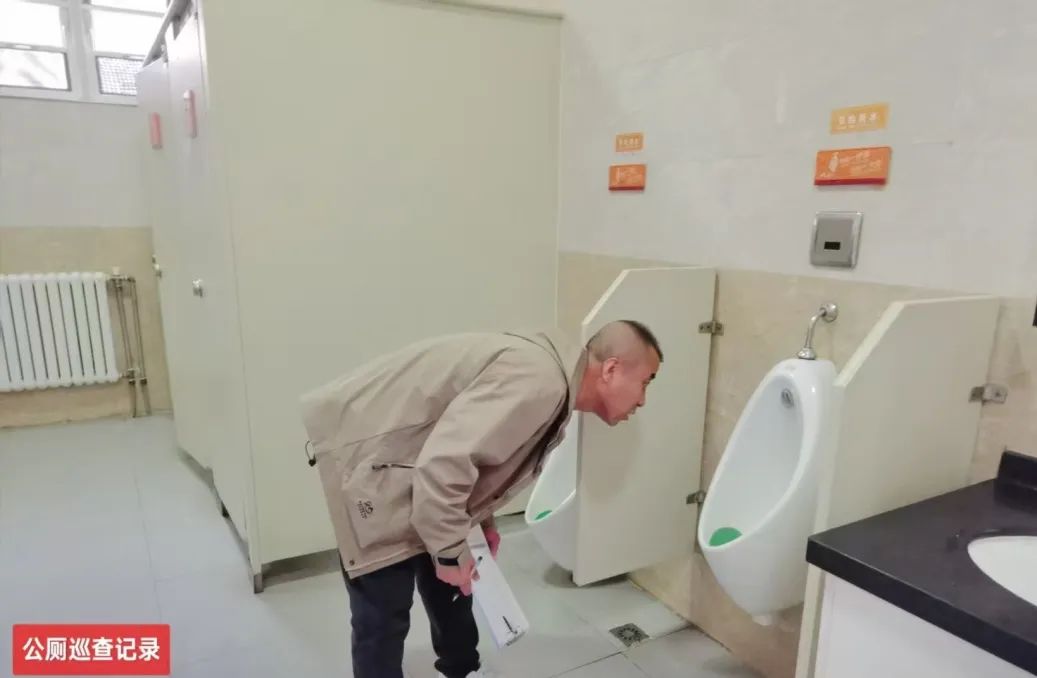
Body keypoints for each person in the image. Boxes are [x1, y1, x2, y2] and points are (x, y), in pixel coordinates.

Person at [298, 320, 663, 678]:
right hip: (370, 459)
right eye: (645, 382)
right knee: (383, 612)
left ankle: (461, 669)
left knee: (454, 578)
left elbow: (477, 456)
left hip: (409, 462)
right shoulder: (541, 381)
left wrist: (478, 522)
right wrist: (448, 551)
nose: (643, 399)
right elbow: (444, 464)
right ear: (611, 369)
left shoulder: (551, 379)